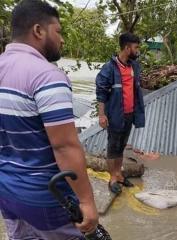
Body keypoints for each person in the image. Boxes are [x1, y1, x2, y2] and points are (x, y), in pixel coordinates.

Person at [0, 0, 98, 239]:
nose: (62, 39)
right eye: (59, 31)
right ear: (38, 30)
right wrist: (86, 202)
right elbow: (64, 145)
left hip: (6, 191)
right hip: (47, 197)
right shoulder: (47, 76)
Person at [96, 33, 145, 194]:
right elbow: (101, 93)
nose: (138, 50)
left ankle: (119, 175)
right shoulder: (109, 68)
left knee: (122, 146)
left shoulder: (134, 66)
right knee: (113, 147)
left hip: (130, 114)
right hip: (115, 114)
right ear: (127, 47)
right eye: (136, 47)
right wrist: (102, 115)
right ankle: (112, 178)